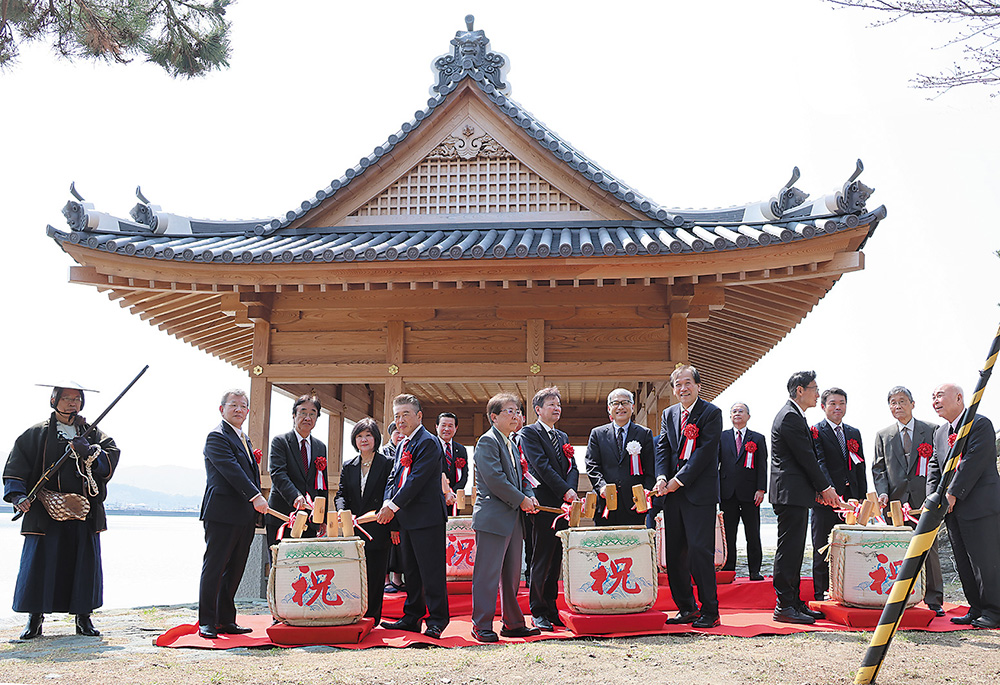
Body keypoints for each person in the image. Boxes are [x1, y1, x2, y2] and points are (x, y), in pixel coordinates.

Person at [4, 382, 120, 639]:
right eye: (66, 398)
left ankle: (83, 618)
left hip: (83, 512)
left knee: (83, 564)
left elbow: (110, 457)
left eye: (77, 398)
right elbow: (16, 467)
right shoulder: (35, 434)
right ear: (54, 400)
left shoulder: (94, 435)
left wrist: (89, 451)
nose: (72, 403)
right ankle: (35, 619)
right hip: (46, 510)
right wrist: (18, 495)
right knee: (40, 565)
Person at [653, 365, 723, 629]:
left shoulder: (711, 413)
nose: (683, 388)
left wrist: (678, 480)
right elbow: (662, 447)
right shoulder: (669, 413)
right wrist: (661, 478)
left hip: (698, 493)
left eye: (687, 383)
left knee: (699, 552)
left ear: (698, 386)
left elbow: (705, 453)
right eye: (678, 385)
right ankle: (687, 608)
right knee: (675, 554)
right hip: (671, 495)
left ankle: (710, 610)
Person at [926, 383, 1000, 629]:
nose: (935, 400)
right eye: (933, 397)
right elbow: (935, 467)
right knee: (963, 561)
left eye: (940, 396)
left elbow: (972, 462)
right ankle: (976, 608)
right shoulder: (939, 433)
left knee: (985, 560)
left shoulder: (980, 424)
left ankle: (994, 610)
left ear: (959, 398)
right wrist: (933, 499)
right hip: (951, 509)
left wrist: (953, 493)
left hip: (979, 506)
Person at [469, 393, 542, 642]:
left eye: (518, 411)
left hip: (513, 517)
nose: (516, 415)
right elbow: (495, 479)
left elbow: (524, 476)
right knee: (487, 575)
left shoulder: (512, 443)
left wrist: (529, 496)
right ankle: (481, 624)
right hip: (493, 517)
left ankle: (512, 623)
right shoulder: (487, 442)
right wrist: (522, 499)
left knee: (512, 575)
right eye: (509, 411)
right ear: (494, 417)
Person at [376, 394, 450, 638]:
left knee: (432, 571)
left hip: (427, 518)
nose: (400, 420)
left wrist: (392, 506)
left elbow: (416, 479)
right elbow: (393, 478)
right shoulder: (402, 444)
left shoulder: (428, 442)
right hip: (407, 519)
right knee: (412, 572)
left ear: (419, 415)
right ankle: (412, 616)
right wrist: (387, 501)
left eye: (405, 414)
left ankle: (438, 619)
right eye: (396, 416)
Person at [197, 389, 269, 639]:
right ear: (222, 409)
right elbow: (231, 470)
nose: (239, 410)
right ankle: (206, 620)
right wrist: (256, 496)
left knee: (236, 567)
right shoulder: (216, 437)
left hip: (245, 514)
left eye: (243, 406)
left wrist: (256, 503)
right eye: (233, 405)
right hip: (222, 512)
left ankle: (226, 619)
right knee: (215, 566)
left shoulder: (244, 438)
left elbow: (251, 474)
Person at [769, 371, 840, 624]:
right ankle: (784, 605)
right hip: (789, 494)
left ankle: (794, 601)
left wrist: (816, 492)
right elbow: (806, 459)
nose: (818, 394)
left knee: (795, 550)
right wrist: (825, 488)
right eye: (814, 388)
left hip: (796, 494)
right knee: (788, 550)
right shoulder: (789, 416)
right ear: (800, 390)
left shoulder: (795, 415)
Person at [871, 386, 945, 616]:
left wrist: (937, 495)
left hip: (925, 500)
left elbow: (941, 465)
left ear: (913, 404)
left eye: (902, 401)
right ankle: (898, 599)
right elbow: (879, 469)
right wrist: (882, 493)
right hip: (895, 503)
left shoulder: (932, 430)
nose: (898, 406)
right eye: (893, 402)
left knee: (929, 549)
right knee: (897, 550)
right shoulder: (883, 435)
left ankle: (934, 600)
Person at [522, 386, 578, 631]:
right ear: (538, 409)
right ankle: (538, 609)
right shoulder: (529, 433)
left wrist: (571, 490)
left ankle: (552, 606)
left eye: (559, 405)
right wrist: (564, 489)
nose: (557, 409)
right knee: (541, 556)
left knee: (556, 556)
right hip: (543, 502)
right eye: (551, 405)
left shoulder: (562, 436)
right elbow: (541, 465)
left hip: (563, 504)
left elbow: (572, 466)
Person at [810, 388, 867, 601]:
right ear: (823, 406)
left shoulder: (854, 432)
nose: (837, 407)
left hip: (851, 500)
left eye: (841, 403)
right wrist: (827, 490)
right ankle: (821, 594)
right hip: (826, 499)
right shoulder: (815, 430)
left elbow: (859, 465)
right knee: (823, 547)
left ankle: (847, 591)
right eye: (833, 403)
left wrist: (861, 496)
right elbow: (819, 463)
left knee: (849, 547)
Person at [335, 417, 393, 624]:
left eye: (368, 435)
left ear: (376, 438)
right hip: (353, 528)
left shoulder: (387, 463)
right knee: (354, 573)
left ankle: (373, 617)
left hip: (378, 526)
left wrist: (393, 526)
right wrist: (343, 513)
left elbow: (391, 495)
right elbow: (341, 494)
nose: (364, 439)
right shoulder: (349, 465)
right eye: (359, 436)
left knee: (376, 575)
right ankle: (354, 614)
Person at [584, 388, 655, 527]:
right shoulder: (597, 434)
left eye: (625, 403)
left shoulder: (644, 434)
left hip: (634, 503)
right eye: (616, 403)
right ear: (609, 408)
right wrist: (601, 487)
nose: (620, 407)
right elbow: (592, 465)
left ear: (632, 407)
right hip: (606, 504)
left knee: (633, 546)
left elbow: (651, 468)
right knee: (605, 546)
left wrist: (644, 494)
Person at [266, 395, 329, 548]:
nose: (308, 417)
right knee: (281, 565)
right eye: (303, 412)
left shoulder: (320, 447)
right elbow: (278, 473)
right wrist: (295, 496)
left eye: (313, 413)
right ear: (293, 415)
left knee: (306, 567)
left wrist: (323, 517)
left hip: (310, 520)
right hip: (283, 515)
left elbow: (322, 484)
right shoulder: (280, 442)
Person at [719, 402, 768, 580]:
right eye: (734, 411)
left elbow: (762, 465)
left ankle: (754, 571)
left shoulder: (758, 438)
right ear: (730, 416)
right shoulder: (721, 437)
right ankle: (728, 570)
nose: (737, 414)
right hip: (727, 493)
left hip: (750, 494)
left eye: (741, 411)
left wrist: (761, 489)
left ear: (748, 416)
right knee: (728, 534)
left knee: (753, 534)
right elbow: (714, 465)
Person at [381, 421, 405, 594]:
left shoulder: (408, 449)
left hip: (402, 501)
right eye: (396, 432)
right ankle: (386, 579)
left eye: (402, 432)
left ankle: (398, 578)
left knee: (400, 541)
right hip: (385, 499)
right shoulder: (384, 452)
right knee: (387, 540)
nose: (400, 435)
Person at [437, 412, 469, 510]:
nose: (447, 429)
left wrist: (452, 493)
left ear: (456, 428)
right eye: (443, 425)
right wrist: (445, 493)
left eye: (450, 426)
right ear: (436, 426)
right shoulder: (431, 446)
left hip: (454, 501)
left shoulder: (461, 449)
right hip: (436, 499)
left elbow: (464, 475)